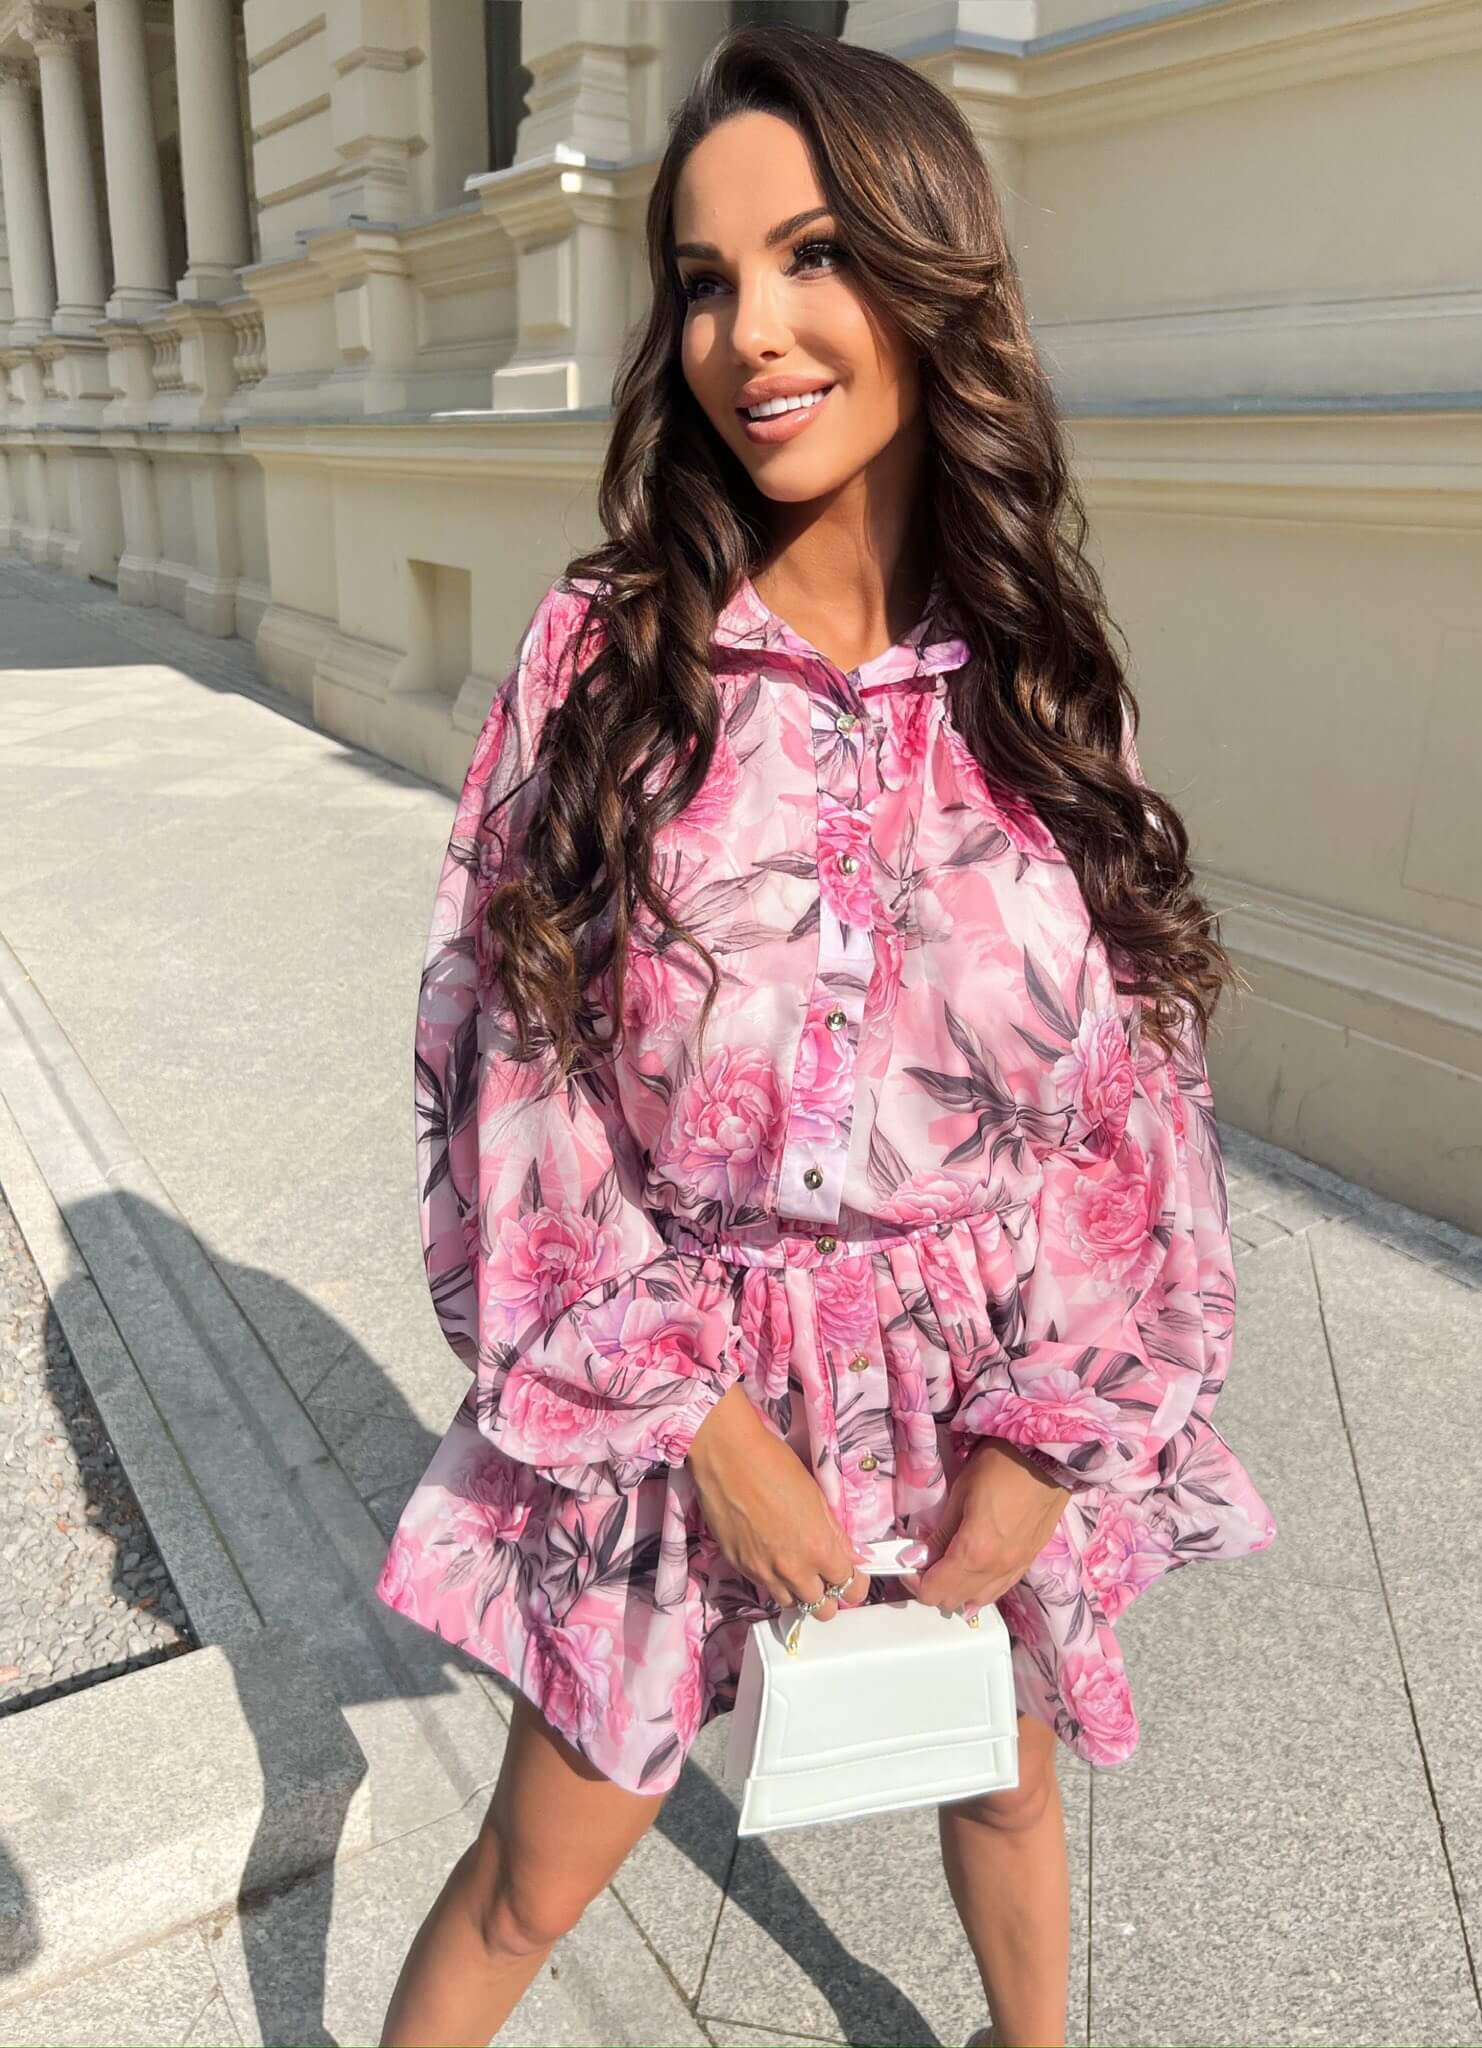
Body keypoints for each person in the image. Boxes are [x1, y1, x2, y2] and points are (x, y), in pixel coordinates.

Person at [373, 22, 1276, 2048]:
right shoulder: (609, 660)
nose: (750, 334)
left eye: (811, 257)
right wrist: (705, 1421)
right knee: (535, 1873)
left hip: (976, 1378)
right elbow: (509, 1077)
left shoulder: (1041, 676)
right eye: (704, 281)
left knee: (1006, 1784)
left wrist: (1051, 1434)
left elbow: (1132, 1102)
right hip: (681, 1385)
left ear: (932, 274)